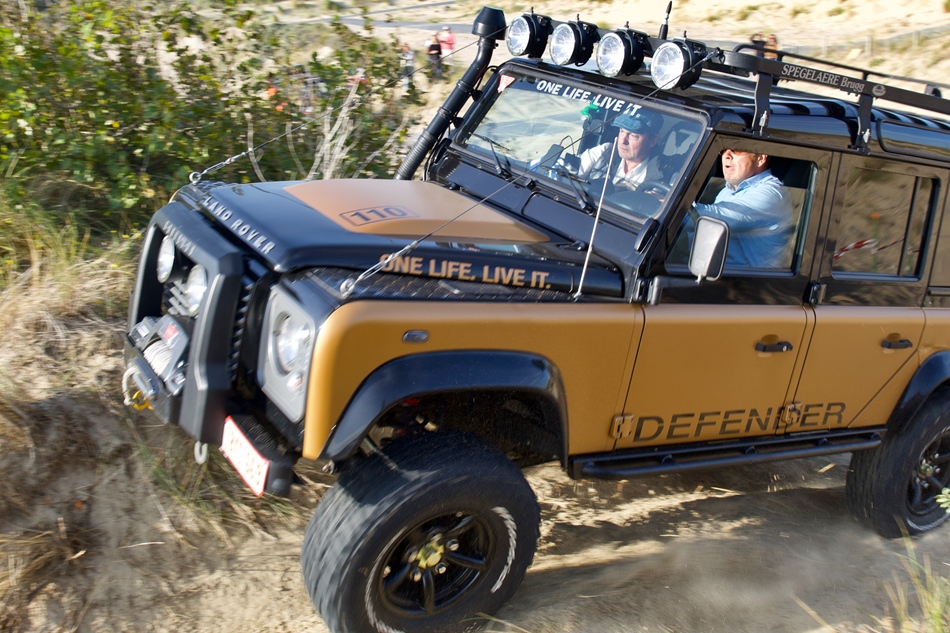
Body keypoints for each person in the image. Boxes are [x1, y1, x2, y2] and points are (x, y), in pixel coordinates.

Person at [692, 148, 794, 268]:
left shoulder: (771, 193)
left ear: (760, 159)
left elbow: (710, 219)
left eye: (737, 150)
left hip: (748, 278)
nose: (727, 155)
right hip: (716, 272)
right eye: (723, 150)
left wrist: (678, 209)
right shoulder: (727, 190)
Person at [574, 109, 667, 190]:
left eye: (633, 135)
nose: (622, 141)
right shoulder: (605, 152)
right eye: (621, 131)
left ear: (653, 140)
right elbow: (571, 175)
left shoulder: (666, 173)